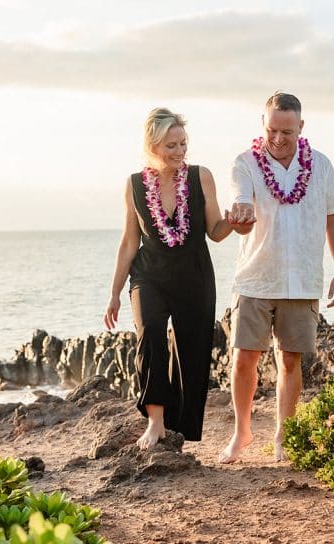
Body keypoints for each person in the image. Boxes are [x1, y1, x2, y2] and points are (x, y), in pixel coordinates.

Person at [104, 107, 250, 449]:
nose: (180, 151)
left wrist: (235, 224)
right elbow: (129, 241)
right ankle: (155, 421)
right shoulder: (134, 185)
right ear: (153, 146)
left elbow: (215, 230)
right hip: (148, 275)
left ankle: (179, 432)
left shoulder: (201, 177)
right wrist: (113, 293)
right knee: (151, 333)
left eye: (183, 143)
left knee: (193, 350)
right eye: (171, 145)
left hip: (194, 275)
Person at [219, 92, 334, 464]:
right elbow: (241, 202)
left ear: (301, 128)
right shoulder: (244, 164)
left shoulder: (321, 166)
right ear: (263, 125)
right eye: (272, 130)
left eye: (287, 132)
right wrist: (241, 214)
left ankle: (283, 436)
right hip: (255, 279)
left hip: (302, 279)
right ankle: (241, 432)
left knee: (291, 361)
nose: (278, 139)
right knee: (244, 357)